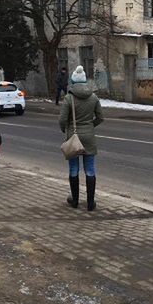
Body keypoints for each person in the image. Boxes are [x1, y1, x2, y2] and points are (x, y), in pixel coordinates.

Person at [59, 65, 104, 211]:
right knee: (90, 170)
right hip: (89, 137)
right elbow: (100, 117)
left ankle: (75, 201)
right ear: (85, 81)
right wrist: (90, 126)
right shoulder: (93, 97)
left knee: (74, 169)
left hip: (74, 136)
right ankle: (90, 203)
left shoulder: (68, 98)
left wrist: (66, 130)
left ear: (73, 81)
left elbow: (62, 120)